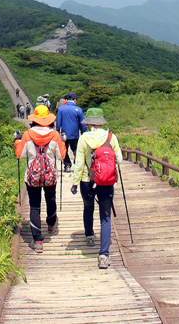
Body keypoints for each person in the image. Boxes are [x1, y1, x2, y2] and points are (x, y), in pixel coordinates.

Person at [70, 107, 123, 269]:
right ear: (101, 122)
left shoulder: (84, 138)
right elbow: (119, 159)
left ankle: (89, 236)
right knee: (106, 217)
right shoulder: (111, 137)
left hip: (87, 181)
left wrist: (74, 182)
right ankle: (104, 255)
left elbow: (79, 163)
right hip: (106, 182)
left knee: (88, 207)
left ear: (89, 122)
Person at [14, 105, 66, 253]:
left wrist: (17, 141)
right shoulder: (55, 135)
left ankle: (37, 241)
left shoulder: (27, 135)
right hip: (50, 175)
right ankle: (51, 224)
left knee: (34, 206)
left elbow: (20, 154)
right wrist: (63, 141)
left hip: (32, 176)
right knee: (51, 199)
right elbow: (61, 156)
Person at [56, 92, 85, 172]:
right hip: (75, 134)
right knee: (76, 149)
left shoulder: (61, 109)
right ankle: (78, 163)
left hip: (64, 134)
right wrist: (83, 133)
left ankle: (67, 165)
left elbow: (58, 122)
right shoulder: (79, 110)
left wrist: (57, 131)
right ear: (75, 100)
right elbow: (82, 124)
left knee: (64, 149)